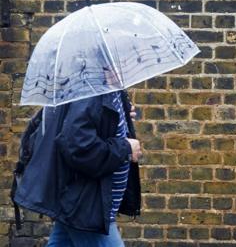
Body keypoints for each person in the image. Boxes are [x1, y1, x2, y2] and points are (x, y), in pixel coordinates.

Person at [14, 90, 142, 246]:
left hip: (81, 201)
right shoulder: (90, 91)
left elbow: (94, 127)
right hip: (85, 204)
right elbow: (78, 146)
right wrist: (125, 148)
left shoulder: (107, 90)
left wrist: (120, 113)